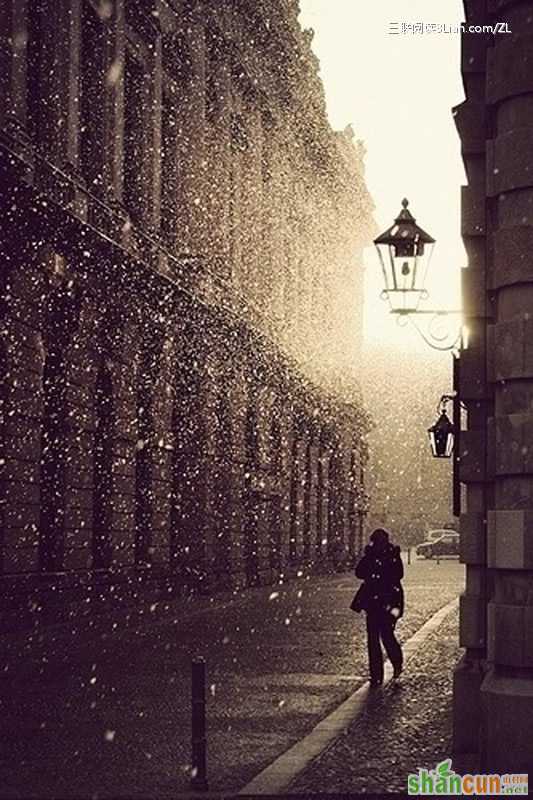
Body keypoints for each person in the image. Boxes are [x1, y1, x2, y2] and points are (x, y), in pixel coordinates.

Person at [354, 528, 404, 687]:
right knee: (385, 636)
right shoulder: (390, 555)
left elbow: (360, 573)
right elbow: (360, 572)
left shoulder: (386, 555)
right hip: (384, 603)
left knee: (377, 638)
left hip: (380, 603)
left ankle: (378, 674)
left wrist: (371, 559)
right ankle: (393, 666)